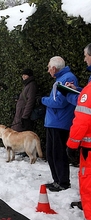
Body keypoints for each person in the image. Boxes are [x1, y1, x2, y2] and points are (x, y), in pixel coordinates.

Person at [66, 43, 91, 220]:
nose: (84, 59)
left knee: (89, 191)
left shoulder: (89, 92)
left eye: (85, 56)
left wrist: (72, 145)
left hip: (89, 152)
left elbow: (82, 121)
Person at [43, 56, 79, 192]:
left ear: (53, 68)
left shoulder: (68, 78)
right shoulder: (60, 79)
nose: (48, 71)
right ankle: (57, 180)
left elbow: (60, 102)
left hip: (60, 122)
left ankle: (63, 182)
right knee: (51, 153)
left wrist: (42, 100)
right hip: (54, 122)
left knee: (58, 153)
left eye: (48, 67)